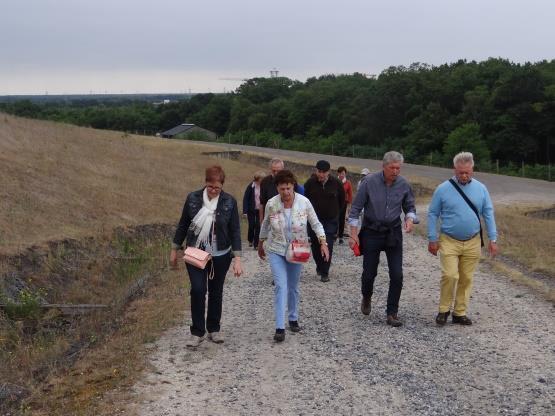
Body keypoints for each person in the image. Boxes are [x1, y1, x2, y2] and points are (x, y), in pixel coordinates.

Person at [170, 165, 243, 347]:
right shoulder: (193, 198)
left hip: (221, 254)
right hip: (196, 252)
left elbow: (235, 230)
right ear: (205, 183)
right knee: (198, 289)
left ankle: (214, 329)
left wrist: (238, 258)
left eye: (217, 188)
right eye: (210, 186)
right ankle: (197, 332)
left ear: (222, 186)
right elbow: (183, 224)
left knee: (216, 291)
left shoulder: (229, 201)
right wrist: (174, 249)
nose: (213, 191)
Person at [428, 151, 498, 326]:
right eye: (460, 172)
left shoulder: (481, 189)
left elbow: (488, 213)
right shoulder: (443, 189)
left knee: (466, 277)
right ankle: (443, 310)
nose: (464, 175)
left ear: (472, 170)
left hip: (473, 241)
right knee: (450, 275)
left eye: (467, 172)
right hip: (449, 240)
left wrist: (493, 239)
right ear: (454, 170)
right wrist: (432, 238)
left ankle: (460, 312)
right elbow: (433, 213)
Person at [258, 170, 329, 342]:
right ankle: (280, 327)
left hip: (298, 249)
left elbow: (315, 223)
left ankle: (293, 317)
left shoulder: (304, 202)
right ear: (277, 188)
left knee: (293, 286)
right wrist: (261, 242)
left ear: (293, 187)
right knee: (280, 286)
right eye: (282, 189)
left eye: (288, 188)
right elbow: (266, 223)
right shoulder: (271, 204)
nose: (286, 192)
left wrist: (323, 242)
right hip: (276, 249)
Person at [348, 151, 416, 327]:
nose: (395, 171)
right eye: (392, 168)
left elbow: (410, 206)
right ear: (383, 166)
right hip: (371, 231)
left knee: (397, 274)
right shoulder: (369, 182)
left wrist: (409, 219)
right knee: (369, 272)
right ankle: (366, 296)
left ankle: (392, 312)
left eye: (398, 168)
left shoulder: (403, 184)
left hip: (393, 232)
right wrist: (353, 234)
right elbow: (355, 209)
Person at [303, 160, 345, 282]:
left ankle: (325, 272)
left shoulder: (336, 183)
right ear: (316, 171)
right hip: (314, 220)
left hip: (330, 220)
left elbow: (342, 201)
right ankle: (319, 266)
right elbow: (304, 201)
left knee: (328, 244)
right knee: (316, 245)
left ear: (329, 172)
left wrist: (336, 213)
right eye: (319, 172)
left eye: (323, 172)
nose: (321, 175)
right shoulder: (310, 183)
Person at [242, 170, 265, 249]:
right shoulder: (251, 186)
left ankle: (256, 245)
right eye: (260, 179)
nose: (261, 181)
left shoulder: (264, 187)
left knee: (258, 226)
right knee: (251, 226)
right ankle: (250, 240)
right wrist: (245, 211)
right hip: (251, 209)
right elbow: (246, 198)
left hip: (260, 210)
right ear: (257, 179)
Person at [337, 166, 353, 244]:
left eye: (343, 173)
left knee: (342, 219)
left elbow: (350, 194)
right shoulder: (335, 181)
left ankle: (340, 236)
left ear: (345, 174)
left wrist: (349, 205)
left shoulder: (348, 183)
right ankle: (333, 235)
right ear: (338, 173)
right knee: (335, 218)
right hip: (335, 203)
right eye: (340, 173)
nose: (341, 175)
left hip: (344, 203)